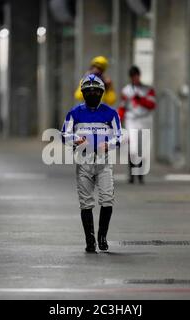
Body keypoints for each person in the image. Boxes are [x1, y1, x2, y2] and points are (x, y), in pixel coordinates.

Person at [63, 74, 123, 253]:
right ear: (82, 93)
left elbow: (119, 136)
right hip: (83, 162)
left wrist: (109, 144)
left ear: (102, 92)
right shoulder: (74, 113)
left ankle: (102, 236)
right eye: (88, 91)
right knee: (86, 202)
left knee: (107, 199)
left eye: (96, 91)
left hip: (104, 162)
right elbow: (63, 134)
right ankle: (89, 240)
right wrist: (76, 139)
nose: (92, 94)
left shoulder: (111, 114)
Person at [118, 66, 156, 184]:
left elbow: (152, 105)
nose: (135, 78)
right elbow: (122, 107)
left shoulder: (148, 90)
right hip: (132, 120)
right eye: (133, 76)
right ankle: (131, 173)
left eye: (137, 76)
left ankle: (141, 174)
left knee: (143, 148)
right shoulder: (126, 91)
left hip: (145, 120)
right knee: (133, 148)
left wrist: (140, 99)